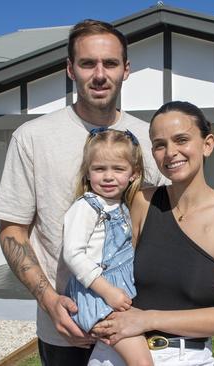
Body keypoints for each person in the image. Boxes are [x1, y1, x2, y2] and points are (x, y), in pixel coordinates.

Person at [0, 20, 166, 366]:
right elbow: (12, 231)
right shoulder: (33, 137)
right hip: (66, 329)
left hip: (134, 320)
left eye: (111, 63)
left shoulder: (149, 139)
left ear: (126, 70)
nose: (100, 74)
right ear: (70, 69)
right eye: (88, 63)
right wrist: (49, 301)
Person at [89, 101, 214, 365]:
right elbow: (107, 271)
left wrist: (148, 319)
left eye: (181, 139)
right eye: (159, 144)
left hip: (186, 356)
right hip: (117, 353)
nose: (170, 152)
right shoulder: (142, 202)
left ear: (208, 144)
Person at [63, 128, 153, 366]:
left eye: (118, 168)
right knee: (142, 362)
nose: (108, 176)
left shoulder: (121, 206)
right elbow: (72, 255)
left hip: (115, 296)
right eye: (99, 168)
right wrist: (107, 291)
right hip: (98, 297)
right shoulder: (86, 207)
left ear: (134, 174)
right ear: (88, 172)